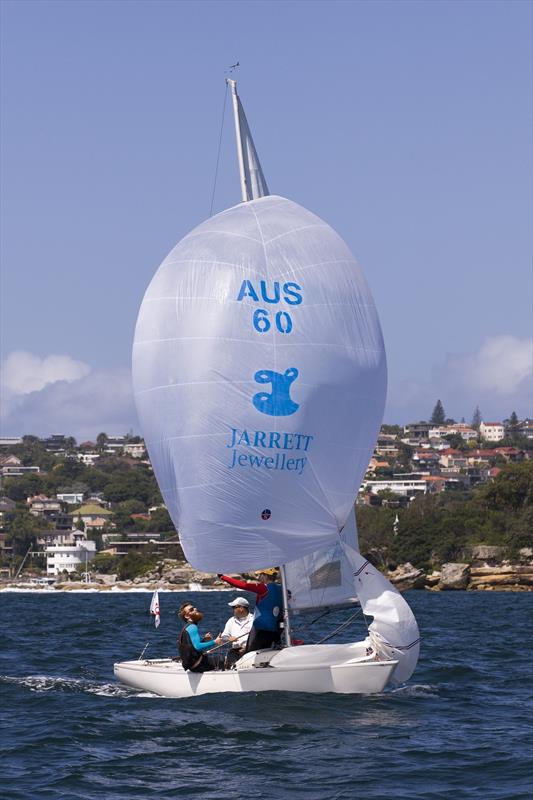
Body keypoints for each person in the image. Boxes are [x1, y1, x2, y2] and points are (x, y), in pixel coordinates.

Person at [218, 569, 282, 652]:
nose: (259, 578)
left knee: (251, 652)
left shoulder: (263, 588)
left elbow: (242, 585)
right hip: (275, 629)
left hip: (261, 627)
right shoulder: (281, 589)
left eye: (260, 575)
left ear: (265, 576)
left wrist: (223, 577)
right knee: (267, 650)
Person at [178, 601, 222, 673]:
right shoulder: (192, 627)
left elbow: (192, 647)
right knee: (224, 660)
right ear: (187, 616)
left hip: (193, 665)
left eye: (194, 608)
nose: (195, 609)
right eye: (191, 609)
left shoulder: (188, 627)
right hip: (198, 665)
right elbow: (197, 647)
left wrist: (204, 640)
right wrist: (215, 641)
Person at [220, 597, 254, 668]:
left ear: (241, 608)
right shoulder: (231, 620)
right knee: (230, 664)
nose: (233, 610)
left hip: (250, 651)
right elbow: (223, 636)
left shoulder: (254, 620)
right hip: (235, 651)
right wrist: (229, 638)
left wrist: (246, 648)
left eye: (234, 607)